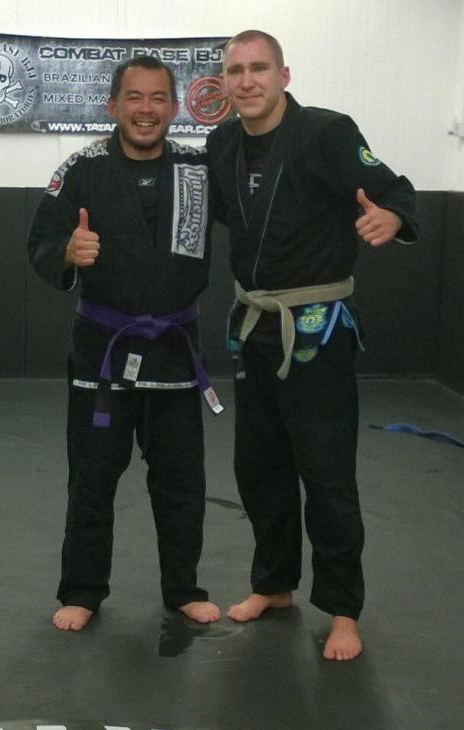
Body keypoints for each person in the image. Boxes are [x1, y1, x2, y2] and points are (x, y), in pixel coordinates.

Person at [207, 30, 418, 660]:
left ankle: (343, 609)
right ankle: (273, 585)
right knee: (259, 467)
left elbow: (396, 190)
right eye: (236, 71)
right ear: (224, 81)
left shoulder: (327, 132)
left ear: (284, 75)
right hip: (256, 326)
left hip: (317, 330)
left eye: (259, 68)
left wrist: (393, 217)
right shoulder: (222, 144)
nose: (247, 81)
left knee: (326, 474)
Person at [28, 56, 222, 631]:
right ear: (112, 106)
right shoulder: (81, 168)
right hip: (103, 352)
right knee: (92, 476)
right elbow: (40, 242)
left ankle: (183, 588)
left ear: (175, 107)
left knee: (181, 481)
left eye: (158, 98)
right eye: (134, 98)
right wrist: (68, 253)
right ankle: (82, 590)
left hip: (174, 349)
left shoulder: (197, 167)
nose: (145, 109)